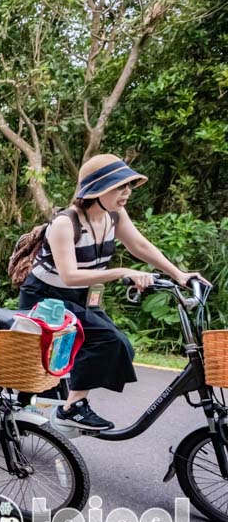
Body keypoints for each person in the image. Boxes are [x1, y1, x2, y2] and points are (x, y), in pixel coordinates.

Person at [20, 153, 209, 431]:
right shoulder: (65, 223)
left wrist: (178, 275)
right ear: (95, 190)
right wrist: (122, 272)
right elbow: (70, 276)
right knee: (108, 340)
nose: (127, 192)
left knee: (122, 346)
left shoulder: (113, 216)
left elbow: (140, 246)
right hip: (47, 297)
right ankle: (72, 408)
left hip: (82, 296)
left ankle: (60, 397)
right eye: (119, 187)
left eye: (129, 186)